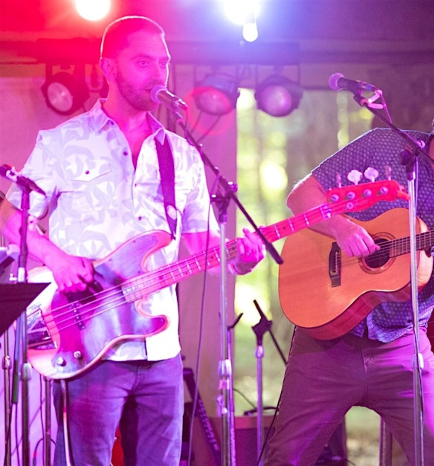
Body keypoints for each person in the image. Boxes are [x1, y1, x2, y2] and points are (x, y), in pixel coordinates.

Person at [0, 16, 264, 466]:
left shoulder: (181, 154)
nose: (157, 73)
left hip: (160, 348)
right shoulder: (63, 143)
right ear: (108, 68)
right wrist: (57, 259)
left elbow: (201, 244)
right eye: (143, 62)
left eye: (163, 62)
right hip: (87, 342)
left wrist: (239, 258)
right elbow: (10, 217)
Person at [265, 80, 434, 465]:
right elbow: (301, 197)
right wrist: (341, 228)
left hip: (403, 345)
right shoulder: (383, 146)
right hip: (329, 334)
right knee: (286, 457)